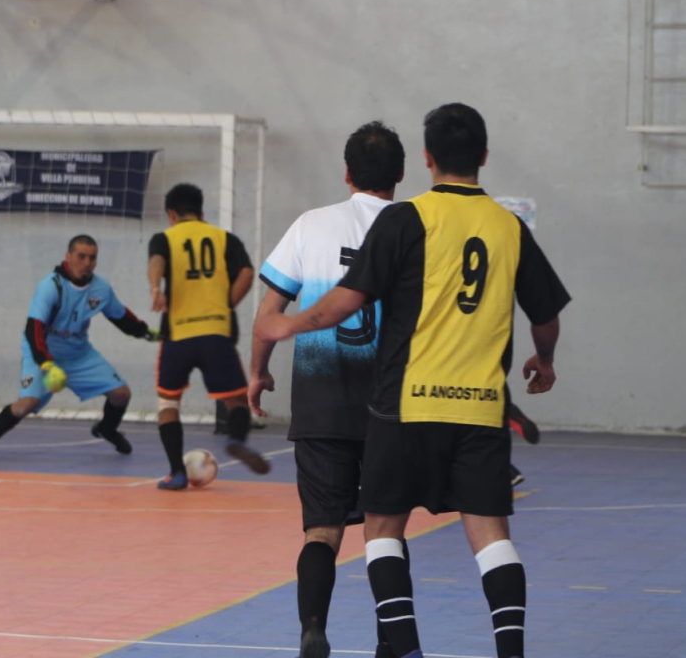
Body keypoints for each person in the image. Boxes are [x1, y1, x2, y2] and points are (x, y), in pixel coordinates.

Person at [255, 103, 571, 658]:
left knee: (372, 527)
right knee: (491, 536)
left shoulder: (405, 220)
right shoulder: (508, 226)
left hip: (397, 401)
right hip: (477, 406)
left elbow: (343, 302)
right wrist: (544, 359)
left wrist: (286, 327)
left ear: (426, 159)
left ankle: (387, 645)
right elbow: (545, 316)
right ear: (484, 156)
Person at [248, 121, 406, 658]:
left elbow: (268, 314)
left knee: (321, 531)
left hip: (321, 402)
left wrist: (258, 372)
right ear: (400, 174)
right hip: (391, 406)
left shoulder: (311, 225)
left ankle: (312, 629)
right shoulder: (415, 227)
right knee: (386, 532)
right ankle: (390, 642)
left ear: (346, 173)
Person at [0, 235, 157, 459]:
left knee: (121, 394)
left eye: (92, 258)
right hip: (43, 354)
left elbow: (121, 317)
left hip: (79, 355)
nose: (87, 263)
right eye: (81, 256)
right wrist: (46, 364)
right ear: (68, 257)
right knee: (26, 404)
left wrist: (145, 332)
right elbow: (34, 330)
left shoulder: (101, 289)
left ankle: (107, 429)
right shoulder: (51, 287)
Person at [148, 182, 268, 489]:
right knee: (236, 400)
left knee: (168, 403)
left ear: (171, 214)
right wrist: (226, 304)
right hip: (216, 332)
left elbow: (157, 261)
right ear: (201, 211)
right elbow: (247, 273)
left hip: (178, 334)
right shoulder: (224, 239)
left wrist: (156, 287)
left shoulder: (165, 238)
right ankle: (236, 439)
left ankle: (176, 472)